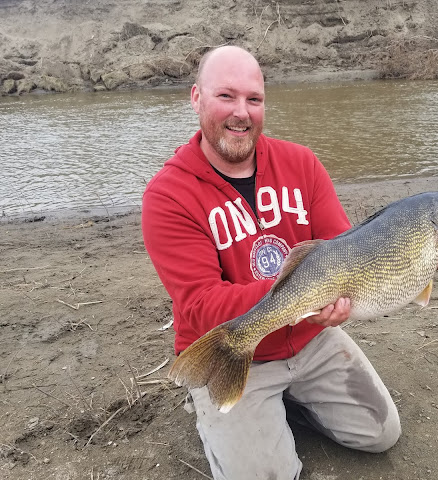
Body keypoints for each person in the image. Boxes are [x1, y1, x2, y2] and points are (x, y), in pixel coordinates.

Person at [142, 46, 401, 480]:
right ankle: (215, 410)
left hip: (309, 335)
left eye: (254, 99)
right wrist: (305, 291)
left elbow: (343, 249)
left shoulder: (302, 163)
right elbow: (201, 306)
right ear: (196, 98)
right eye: (226, 96)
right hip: (229, 347)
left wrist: (415, 259)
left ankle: (290, 405)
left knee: (381, 434)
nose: (241, 113)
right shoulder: (167, 197)